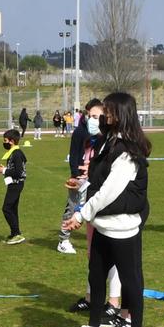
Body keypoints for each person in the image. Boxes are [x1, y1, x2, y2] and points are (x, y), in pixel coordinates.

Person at [61, 88, 152, 327]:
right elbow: (98, 181)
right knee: (96, 277)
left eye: (109, 111)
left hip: (123, 229)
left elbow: (110, 191)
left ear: (121, 115)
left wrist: (81, 214)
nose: (104, 116)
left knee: (130, 281)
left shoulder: (127, 151)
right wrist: (82, 186)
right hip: (103, 226)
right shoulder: (106, 143)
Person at [57, 96, 102, 258]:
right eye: (92, 116)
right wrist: (75, 175)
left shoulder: (102, 133)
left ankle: (97, 239)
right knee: (73, 207)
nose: (94, 120)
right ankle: (63, 240)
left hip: (96, 176)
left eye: (97, 117)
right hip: (81, 176)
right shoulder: (80, 132)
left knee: (95, 207)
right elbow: (74, 154)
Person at [0, 126, 28, 244]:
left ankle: (17, 233)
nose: (3, 143)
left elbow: (19, 172)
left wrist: (4, 171)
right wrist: (4, 169)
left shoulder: (17, 154)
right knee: (13, 208)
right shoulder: (13, 153)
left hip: (17, 184)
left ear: (12, 141)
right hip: (13, 184)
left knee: (7, 208)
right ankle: (15, 233)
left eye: (5, 140)